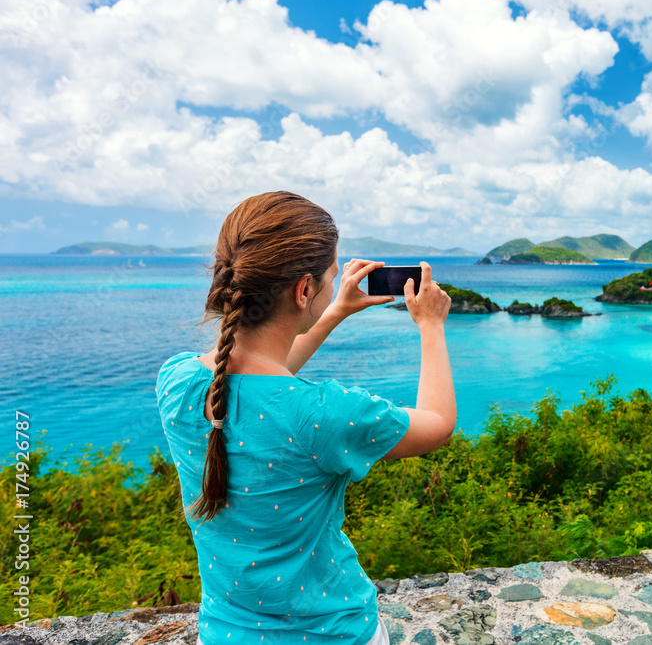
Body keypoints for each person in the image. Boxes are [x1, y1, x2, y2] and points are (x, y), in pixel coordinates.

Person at [154, 191, 455, 645]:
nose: (337, 282)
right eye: (332, 276)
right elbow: (436, 422)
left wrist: (331, 311)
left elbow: (258, 381)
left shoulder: (177, 382)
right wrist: (431, 325)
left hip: (224, 634)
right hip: (332, 634)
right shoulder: (325, 413)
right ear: (304, 289)